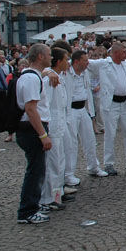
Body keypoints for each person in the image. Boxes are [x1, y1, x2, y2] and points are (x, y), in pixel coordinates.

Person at [87, 43, 126, 174]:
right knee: (110, 134)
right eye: (123, 52)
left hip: (124, 103)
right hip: (111, 104)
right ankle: (108, 163)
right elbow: (86, 63)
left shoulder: (125, 64)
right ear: (116, 53)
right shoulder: (104, 64)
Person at [15, 44, 52, 224]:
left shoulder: (33, 75)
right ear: (40, 57)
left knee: (37, 169)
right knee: (35, 170)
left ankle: (33, 205)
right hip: (31, 130)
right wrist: (43, 135)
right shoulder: (31, 78)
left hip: (32, 129)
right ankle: (27, 211)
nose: (51, 57)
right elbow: (30, 109)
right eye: (49, 54)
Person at [63, 49, 107, 185]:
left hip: (83, 109)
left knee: (90, 139)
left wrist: (91, 113)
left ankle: (93, 166)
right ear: (76, 62)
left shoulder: (85, 73)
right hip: (71, 110)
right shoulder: (65, 72)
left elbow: (102, 63)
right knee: (71, 143)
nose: (88, 63)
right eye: (85, 60)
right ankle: (68, 174)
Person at [39, 47, 70, 212]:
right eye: (65, 59)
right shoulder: (49, 80)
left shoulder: (59, 77)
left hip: (60, 125)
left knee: (60, 161)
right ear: (58, 62)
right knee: (52, 163)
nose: (68, 63)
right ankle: (48, 198)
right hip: (53, 126)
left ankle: (58, 193)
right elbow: (46, 106)